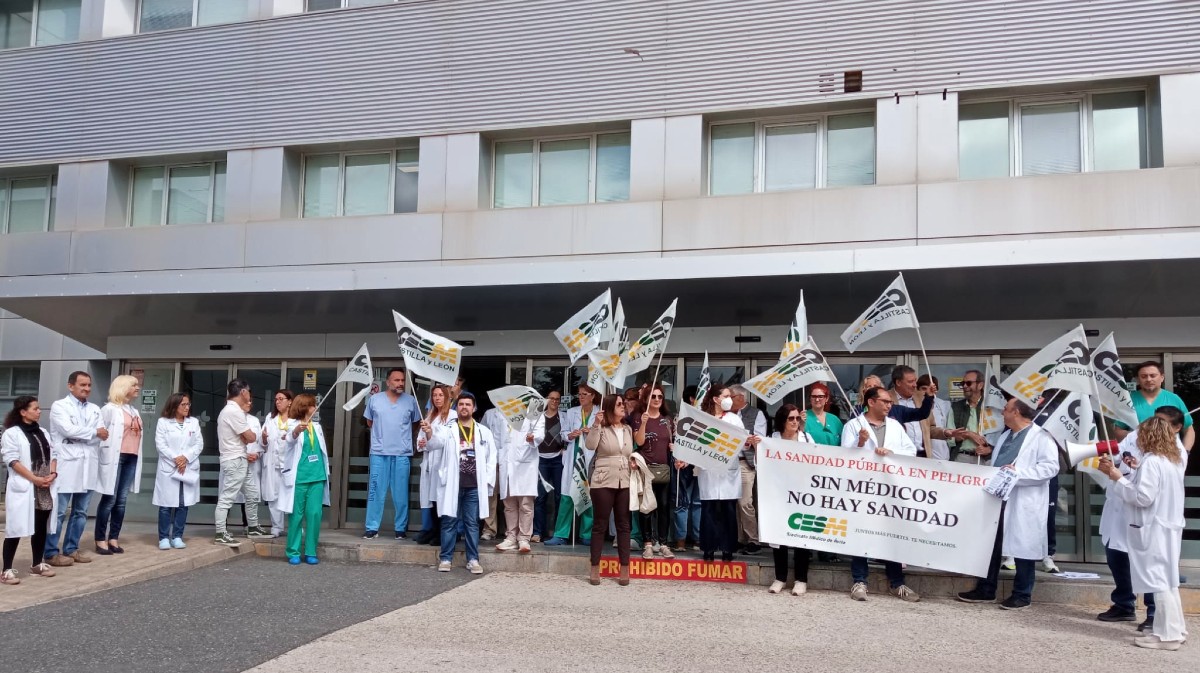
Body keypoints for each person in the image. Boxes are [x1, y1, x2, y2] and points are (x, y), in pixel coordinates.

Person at [957, 397, 1058, 610]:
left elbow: (1050, 468)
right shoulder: (1005, 436)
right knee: (990, 546)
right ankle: (986, 589)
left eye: (1006, 409)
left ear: (1017, 413)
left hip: (1024, 500)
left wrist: (1019, 473)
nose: (1003, 412)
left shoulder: (1041, 437)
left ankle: (1022, 594)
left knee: (1023, 546)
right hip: (998, 497)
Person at [1098, 416, 1188, 650]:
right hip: (1169, 526)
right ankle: (1172, 629)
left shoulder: (1152, 461)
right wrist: (1136, 469)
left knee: (1159, 582)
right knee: (1168, 581)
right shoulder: (1173, 459)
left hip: (1153, 528)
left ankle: (1167, 637)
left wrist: (1119, 479)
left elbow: (1143, 498)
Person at [840, 386, 921, 602]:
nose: (889, 405)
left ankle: (897, 582)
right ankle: (859, 581)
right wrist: (859, 443)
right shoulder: (854, 426)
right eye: (885, 401)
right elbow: (843, 457)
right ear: (871, 402)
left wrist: (892, 453)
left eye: (890, 402)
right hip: (863, 488)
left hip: (890, 488)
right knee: (861, 532)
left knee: (891, 532)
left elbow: (911, 451)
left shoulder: (895, 426)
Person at [429, 392, 497, 574]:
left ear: (474, 408)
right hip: (453, 483)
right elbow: (434, 444)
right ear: (456, 408)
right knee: (449, 522)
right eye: (461, 404)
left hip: (474, 485)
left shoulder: (484, 431)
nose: (464, 407)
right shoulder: (447, 429)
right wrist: (429, 434)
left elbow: (492, 458)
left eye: (468, 404)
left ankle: (473, 559)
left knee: (472, 524)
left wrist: (489, 483)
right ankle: (445, 558)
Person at [44, 371, 107, 567]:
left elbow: (103, 434)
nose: (87, 388)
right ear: (70, 386)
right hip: (66, 464)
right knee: (60, 511)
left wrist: (86, 434)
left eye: (89, 385)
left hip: (88, 463)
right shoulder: (59, 406)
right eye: (82, 385)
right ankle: (51, 552)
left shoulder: (95, 409)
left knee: (81, 511)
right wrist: (92, 433)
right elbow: (67, 430)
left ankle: (71, 549)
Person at [2, 396, 58, 585]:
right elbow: (12, 460)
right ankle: (6, 570)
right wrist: (34, 479)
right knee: (15, 528)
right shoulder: (11, 433)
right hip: (26, 483)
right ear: (23, 412)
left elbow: (54, 453)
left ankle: (37, 563)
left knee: (41, 524)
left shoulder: (42, 431)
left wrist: (53, 473)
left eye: (39, 408)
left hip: (44, 484)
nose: (39, 411)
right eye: (35, 408)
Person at [362, 368, 423, 540]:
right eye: (396, 380)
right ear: (388, 382)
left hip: (402, 453)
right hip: (379, 452)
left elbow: (415, 424)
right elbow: (369, 422)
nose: (400, 383)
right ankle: (372, 528)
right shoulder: (374, 400)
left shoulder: (410, 401)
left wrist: (403, 440)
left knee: (401, 494)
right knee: (375, 492)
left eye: (402, 380)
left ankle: (400, 529)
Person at [685, 386, 744, 563]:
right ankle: (708, 548)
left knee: (728, 511)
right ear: (716, 399)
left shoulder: (734, 419)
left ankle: (728, 549)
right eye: (726, 396)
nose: (730, 399)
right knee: (709, 511)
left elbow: (741, 442)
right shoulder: (703, 418)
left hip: (728, 472)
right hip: (708, 471)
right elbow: (694, 442)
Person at [586, 394, 635, 586]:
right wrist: (596, 425)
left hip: (624, 480)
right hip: (603, 480)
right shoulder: (602, 428)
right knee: (600, 525)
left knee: (624, 525)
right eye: (619, 404)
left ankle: (624, 567)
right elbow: (590, 445)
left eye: (623, 404)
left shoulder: (628, 429)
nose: (623, 407)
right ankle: (594, 567)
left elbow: (629, 451)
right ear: (609, 408)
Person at [214, 378, 269, 547]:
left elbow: (248, 438)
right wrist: (247, 436)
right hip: (234, 459)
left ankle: (252, 527)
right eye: (249, 391)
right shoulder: (233, 411)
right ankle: (220, 533)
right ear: (243, 392)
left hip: (239, 458)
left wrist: (246, 437)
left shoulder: (232, 410)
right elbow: (251, 437)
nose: (249, 395)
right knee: (227, 497)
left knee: (252, 494)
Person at [93, 375, 144, 555]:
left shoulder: (134, 411)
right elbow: (100, 434)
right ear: (123, 387)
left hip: (131, 457)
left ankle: (113, 538)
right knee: (110, 499)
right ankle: (100, 539)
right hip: (116, 457)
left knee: (121, 501)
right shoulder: (109, 409)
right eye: (134, 385)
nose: (138, 387)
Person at [768, 404, 815, 596]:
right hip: (778, 494)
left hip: (801, 494)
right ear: (782, 420)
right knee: (779, 537)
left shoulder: (806, 438)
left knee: (800, 537)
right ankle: (780, 578)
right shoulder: (773, 438)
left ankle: (801, 580)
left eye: (797, 418)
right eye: (791, 418)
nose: (795, 422)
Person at [279, 393, 331, 565]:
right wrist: (295, 432)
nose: (315, 408)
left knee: (315, 514)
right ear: (304, 407)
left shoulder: (316, 426)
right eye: (312, 405)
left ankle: (310, 551)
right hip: (299, 478)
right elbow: (288, 440)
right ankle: (293, 551)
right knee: (296, 516)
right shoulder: (292, 425)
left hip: (317, 477)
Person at [545, 384, 599, 546]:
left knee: (588, 496)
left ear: (593, 396)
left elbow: (603, 435)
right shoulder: (571, 412)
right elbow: (563, 434)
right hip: (572, 456)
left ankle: (587, 534)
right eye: (579, 394)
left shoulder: (600, 413)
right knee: (567, 497)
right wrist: (570, 435)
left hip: (589, 458)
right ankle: (561, 534)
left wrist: (592, 431)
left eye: (584, 394)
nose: (581, 397)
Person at [153, 393, 203, 550]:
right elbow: (160, 445)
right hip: (169, 467)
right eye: (184, 405)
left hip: (187, 467)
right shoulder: (163, 422)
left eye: (188, 404)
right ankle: (163, 538)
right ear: (174, 406)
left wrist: (185, 458)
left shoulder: (193, 422)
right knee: (166, 504)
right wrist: (176, 459)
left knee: (183, 504)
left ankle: (177, 536)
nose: (187, 407)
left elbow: (199, 444)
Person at [631, 384, 675, 560]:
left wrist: (673, 447)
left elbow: (672, 441)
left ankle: (663, 543)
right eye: (653, 397)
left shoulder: (667, 419)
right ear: (646, 399)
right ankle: (648, 543)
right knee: (646, 507)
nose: (657, 400)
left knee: (664, 506)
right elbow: (639, 442)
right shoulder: (638, 417)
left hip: (663, 468)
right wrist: (643, 422)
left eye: (660, 397)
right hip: (645, 468)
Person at [1114, 361, 1195, 451]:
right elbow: (1118, 431)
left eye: (1153, 375)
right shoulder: (1128, 400)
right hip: (1136, 457)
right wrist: (1140, 434)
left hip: (1169, 457)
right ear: (1138, 379)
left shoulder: (1174, 399)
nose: (1148, 379)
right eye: (1144, 376)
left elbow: (1188, 430)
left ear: (1162, 377)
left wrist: (1186, 452)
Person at [496, 411, 545, 553]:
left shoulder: (534, 414)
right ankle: (511, 537)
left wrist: (533, 437)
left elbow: (540, 433)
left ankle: (524, 538)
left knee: (525, 504)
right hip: (507, 463)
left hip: (525, 464)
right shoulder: (503, 414)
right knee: (509, 504)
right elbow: (498, 439)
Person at [416, 385, 455, 546]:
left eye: (440, 395)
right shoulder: (429, 415)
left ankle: (442, 532)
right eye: (434, 395)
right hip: (429, 463)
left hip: (443, 462)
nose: (437, 398)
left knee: (440, 498)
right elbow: (420, 439)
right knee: (430, 498)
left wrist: (430, 438)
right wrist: (424, 443)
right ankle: (433, 529)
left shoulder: (452, 416)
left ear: (447, 397)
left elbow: (447, 440)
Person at [729, 384, 764, 555]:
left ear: (741, 398)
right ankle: (739, 539)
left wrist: (751, 441)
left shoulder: (757, 414)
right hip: (728, 463)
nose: (728, 400)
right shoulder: (726, 415)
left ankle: (753, 539)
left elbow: (761, 439)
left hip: (745, 463)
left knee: (745, 503)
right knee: (734, 503)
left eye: (731, 396)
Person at [258, 389, 295, 538]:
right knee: (273, 496)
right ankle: (276, 526)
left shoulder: (296, 419)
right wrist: (264, 438)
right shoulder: (270, 418)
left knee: (291, 496)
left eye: (281, 399)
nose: (278, 402)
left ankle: (294, 526)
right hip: (272, 463)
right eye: (276, 399)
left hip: (288, 463)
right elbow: (262, 441)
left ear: (290, 401)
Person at [671, 385, 702, 552]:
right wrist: (680, 459)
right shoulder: (681, 417)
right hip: (683, 466)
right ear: (692, 399)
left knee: (698, 503)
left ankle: (697, 539)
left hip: (701, 466)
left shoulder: (706, 417)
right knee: (683, 503)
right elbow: (678, 442)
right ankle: (681, 539)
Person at [533, 389, 566, 543]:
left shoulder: (563, 417)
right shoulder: (538, 417)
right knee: (540, 497)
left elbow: (568, 435)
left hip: (558, 460)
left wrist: (564, 448)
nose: (554, 401)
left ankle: (557, 532)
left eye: (557, 399)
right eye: (551, 398)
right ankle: (538, 532)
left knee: (559, 496)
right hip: (540, 460)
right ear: (546, 400)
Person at [480, 402, 510, 542]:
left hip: (510, 460)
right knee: (491, 496)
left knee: (509, 497)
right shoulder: (489, 413)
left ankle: (509, 530)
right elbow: (482, 434)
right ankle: (489, 529)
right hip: (492, 460)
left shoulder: (515, 415)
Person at [949, 370, 991, 463]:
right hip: (961, 457)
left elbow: (1000, 435)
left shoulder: (991, 406)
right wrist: (969, 434)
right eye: (963, 383)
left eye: (968, 383)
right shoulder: (956, 407)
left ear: (980, 385)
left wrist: (990, 449)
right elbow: (950, 437)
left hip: (986, 459)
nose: (964, 386)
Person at [917, 375, 953, 461]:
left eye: (930, 388)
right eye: (924, 388)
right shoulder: (913, 406)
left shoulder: (944, 405)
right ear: (917, 389)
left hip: (942, 452)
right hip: (923, 454)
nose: (927, 392)